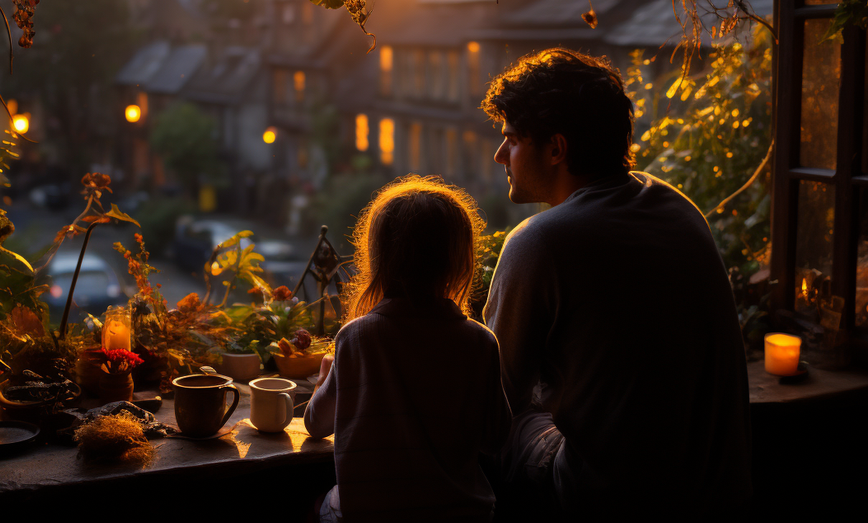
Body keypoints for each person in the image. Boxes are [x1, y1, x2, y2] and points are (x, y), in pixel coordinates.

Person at [480, 48, 752, 519]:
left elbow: (491, 396)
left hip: (604, 498)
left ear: (556, 149)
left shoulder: (540, 241)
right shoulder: (679, 209)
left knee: (506, 420)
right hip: (713, 489)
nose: (499, 154)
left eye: (511, 139)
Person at [305, 176, 512, 523]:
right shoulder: (479, 342)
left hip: (370, 515)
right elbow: (496, 438)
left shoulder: (356, 339)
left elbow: (315, 423)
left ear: (379, 258)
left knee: (320, 504)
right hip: (462, 514)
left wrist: (326, 376)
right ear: (458, 261)